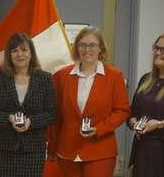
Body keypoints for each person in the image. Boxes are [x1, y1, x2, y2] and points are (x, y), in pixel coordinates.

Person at [47, 26, 129, 177]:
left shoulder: (114, 76)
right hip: (67, 150)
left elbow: (122, 111)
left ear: (100, 49)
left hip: (100, 149)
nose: (87, 49)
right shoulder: (61, 76)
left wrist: (99, 129)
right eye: (82, 45)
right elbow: (55, 115)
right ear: (76, 48)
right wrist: (51, 147)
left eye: (92, 45)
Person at [0, 32, 57, 177]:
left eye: (23, 49)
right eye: (14, 50)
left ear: (31, 53)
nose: (19, 54)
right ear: (9, 55)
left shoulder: (45, 78)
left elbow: (51, 113)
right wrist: (8, 118)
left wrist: (31, 121)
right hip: (4, 149)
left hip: (33, 149)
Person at [127, 34, 164, 177]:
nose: (158, 52)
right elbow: (131, 113)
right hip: (142, 150)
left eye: (163, 49)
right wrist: (134, 123)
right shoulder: (146, 79)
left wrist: (159, 124)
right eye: (156, 48)